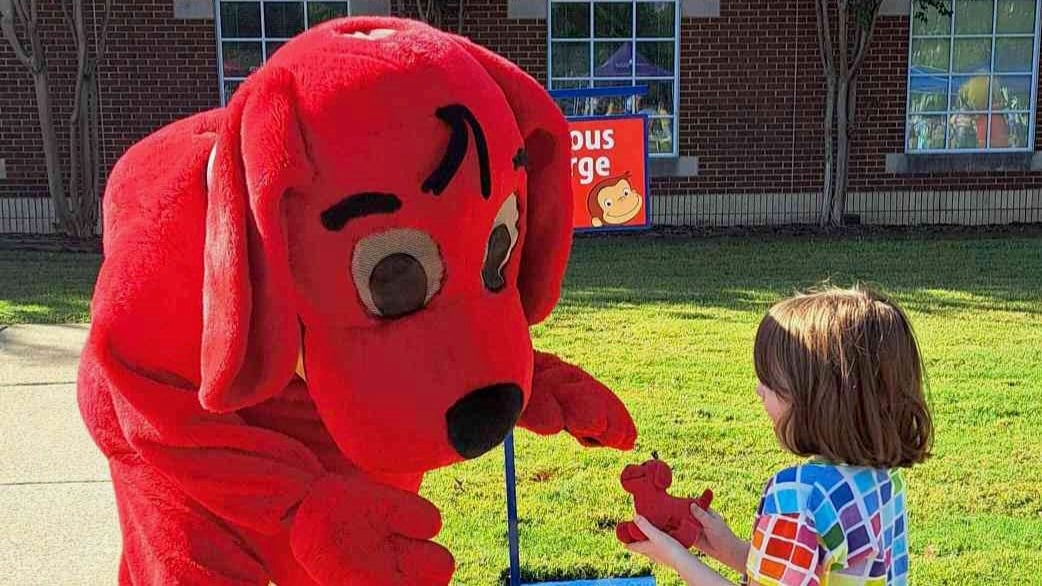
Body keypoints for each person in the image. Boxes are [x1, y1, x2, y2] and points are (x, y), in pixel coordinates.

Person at [626, 286, 934, 585]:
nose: (759, 391)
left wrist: (678, 558)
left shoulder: (798, 495)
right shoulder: (881, 480)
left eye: (770, 381)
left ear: (817, 399)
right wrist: (730, 548)